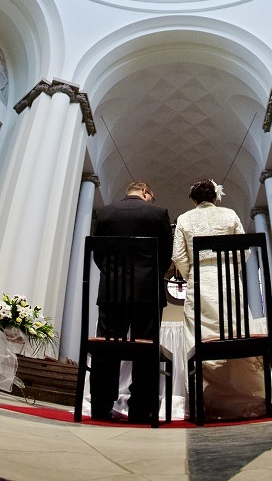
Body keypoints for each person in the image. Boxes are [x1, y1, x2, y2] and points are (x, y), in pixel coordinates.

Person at [172, 178, 272, 420]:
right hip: (229, 284)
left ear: (194, 199)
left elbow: (178, 256)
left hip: (200, 284)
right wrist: (230, 272)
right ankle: (257, 392)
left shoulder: (185, 219)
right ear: (215, 196)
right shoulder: (229, 214)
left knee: (200, 336)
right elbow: (244, 251)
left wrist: (194, 275)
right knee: (236, 329)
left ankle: (206, 400)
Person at [91, 179, 173, 422]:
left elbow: (99, 255)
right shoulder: (158, 214)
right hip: (148, 296)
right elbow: (165, 257)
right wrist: (151, 277)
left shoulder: (105, 214)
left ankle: (100, 406)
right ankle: (141, 409)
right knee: (146, 351)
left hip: (111, 296)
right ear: (146, 192)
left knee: (106, 349)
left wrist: (113, 278)